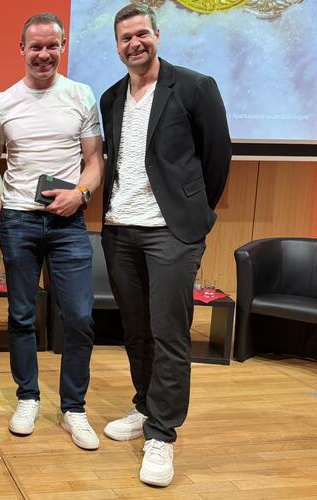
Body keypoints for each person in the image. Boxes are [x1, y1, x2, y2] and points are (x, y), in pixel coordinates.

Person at [99, 4, 231, 487]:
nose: (134, 44)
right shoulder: (112, 96)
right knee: (135, 331)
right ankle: (144, 406)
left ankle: (162, 435)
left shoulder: (195, 87)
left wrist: (193, 218)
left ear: (158, 35)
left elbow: (217, 158)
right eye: (125, 38)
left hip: (170, 233)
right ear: (116, 46)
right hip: (120, 229)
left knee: (169, 333)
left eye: (141, 34)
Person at [0, 12, 105, 449]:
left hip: (69, 221)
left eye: (51, 46)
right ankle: (28, 396)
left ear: (63, 46)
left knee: (79, 317)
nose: (43, 54)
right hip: (18, 221)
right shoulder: (1, 103)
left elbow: (94, 162)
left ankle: (74, 408)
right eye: (35, 46)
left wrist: (81, 194)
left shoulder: (81, 95)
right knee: (20, 316)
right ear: (21, 50)